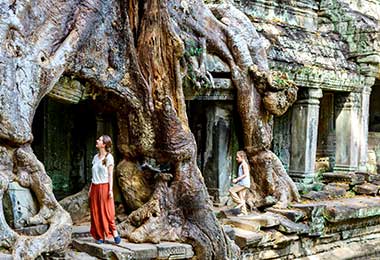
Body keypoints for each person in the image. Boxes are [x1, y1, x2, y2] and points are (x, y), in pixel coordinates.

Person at [88, 135, 121, 244]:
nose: (97, 140)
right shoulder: (95, 157)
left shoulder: (109, 157)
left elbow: (110, 175)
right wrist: (90, 188)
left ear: (104, 144)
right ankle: (100, 236)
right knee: (96, 211)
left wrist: (110, 190)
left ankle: (114, 231)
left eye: (100, 140)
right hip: (95, 187)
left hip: (104, 186)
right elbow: (93, 175)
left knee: (107, 211)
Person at [229, 150, 251, 215]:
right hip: (245, 183)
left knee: (231, 190)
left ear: (242, 157)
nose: (236, 159)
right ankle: (244, 212)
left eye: (238, 157)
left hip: (243, 183)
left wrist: (236, 179)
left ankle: (240, 203)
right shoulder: (242, 164)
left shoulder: (244, 164)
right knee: (241, 197)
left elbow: (245, 174)